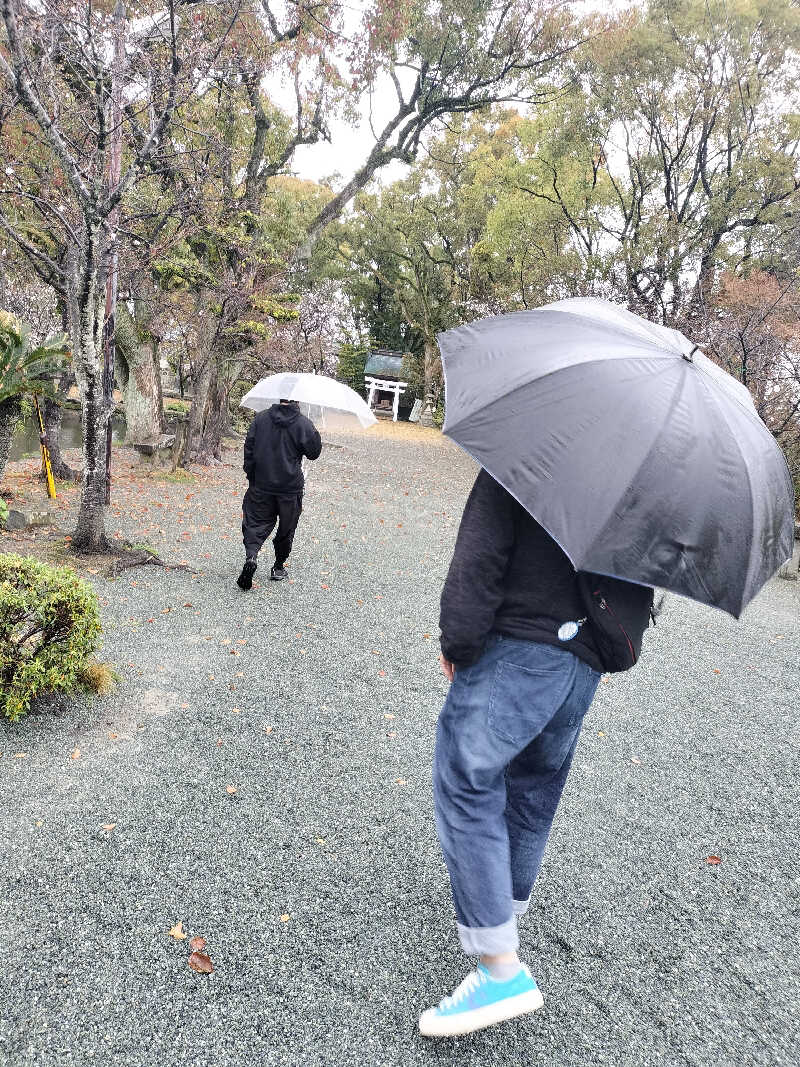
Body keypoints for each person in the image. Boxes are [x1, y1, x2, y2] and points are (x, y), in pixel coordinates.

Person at [420, 469, 649, 1038]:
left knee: (465, 780)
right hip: (584, 662)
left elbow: (482, 546)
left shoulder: (533, 445)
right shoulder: (643, 476)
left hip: (519, 647)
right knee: (535, 789)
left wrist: (459, 639)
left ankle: (500, 970)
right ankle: (507, 906)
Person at [237, 399, 322, 590]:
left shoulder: (260, 419)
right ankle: (278, 566)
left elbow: (248, 449)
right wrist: (313, 433)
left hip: (261, 483)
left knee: (255, 522)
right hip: (290, 488)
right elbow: (314, 452)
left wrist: (251, 476)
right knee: (286, 528)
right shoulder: (303, 424)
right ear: (296, 399)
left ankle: (251, 556)